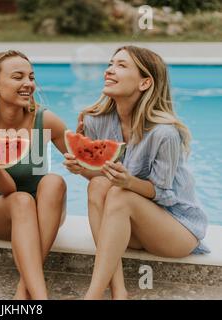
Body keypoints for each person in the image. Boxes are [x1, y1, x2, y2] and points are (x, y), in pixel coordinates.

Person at [63, 46, 209, 300]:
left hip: (175, 229)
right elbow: (104, 178)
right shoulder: (95, 121)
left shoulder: (165, 132)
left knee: (120, 195)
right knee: (97, 187)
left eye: (121, 65)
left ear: (145, 82)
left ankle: (93, 295)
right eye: (110, 64)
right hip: (128, 227)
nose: (109, 70)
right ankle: (119, 291)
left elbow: (162, 193)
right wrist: (83, 169)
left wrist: (128, 182)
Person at [0, 50, 68, 300]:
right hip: (0, 209)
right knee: (22, 200)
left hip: (46, 212)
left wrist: (104, 159)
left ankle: (24, 291)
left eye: (31, 77)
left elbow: (84, 163)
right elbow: (8, 191)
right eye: (18, 77)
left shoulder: (46, 120)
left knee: (54, 180)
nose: (28, 84)